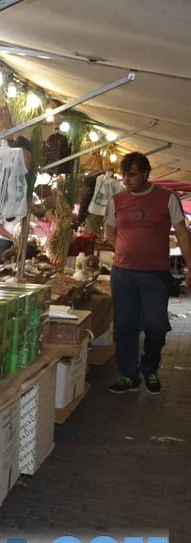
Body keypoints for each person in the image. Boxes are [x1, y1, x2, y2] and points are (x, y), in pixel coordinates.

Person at [105, 152, 191, 395]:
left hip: (155, 274)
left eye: (131, 174)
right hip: (123, 273)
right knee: (125, 327)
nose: (126, 180)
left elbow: (182, 233)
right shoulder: (117, 200)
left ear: (145, 173)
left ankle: (150, 367)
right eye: (124, 175)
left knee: (156, 326)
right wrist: (123, 249)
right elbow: (110, 231)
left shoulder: (166, 198)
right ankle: (129, 375)